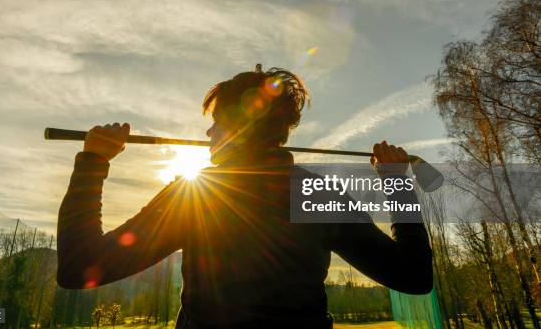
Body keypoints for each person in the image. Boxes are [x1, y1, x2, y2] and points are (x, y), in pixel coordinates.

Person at [57, 66, 433, 329]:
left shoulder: (198, 197)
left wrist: (93, 161)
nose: (209, 130)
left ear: (235, 128)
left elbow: (80, 266)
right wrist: (398, 184)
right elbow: (414, 276)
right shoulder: (315, 195)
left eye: (217, 121)